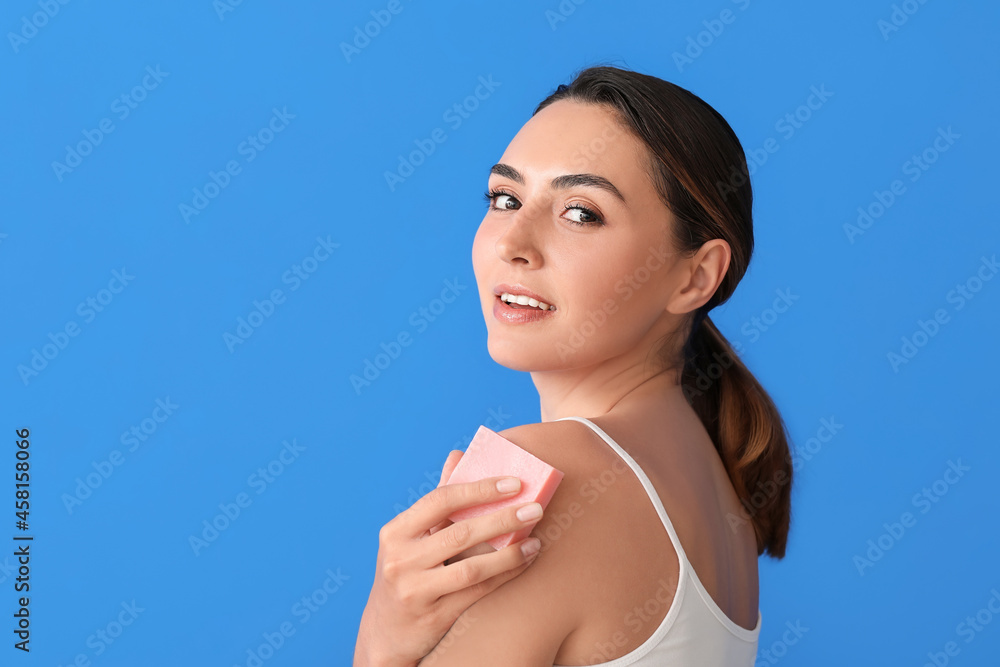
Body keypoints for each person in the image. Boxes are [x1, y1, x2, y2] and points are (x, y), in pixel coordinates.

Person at [354, 64, 793, 666]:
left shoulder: (541, 481)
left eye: (581, 212)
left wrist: (381, 639)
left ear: (695, 276)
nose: (514, 242)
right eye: (506, 198)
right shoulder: (713, 480)